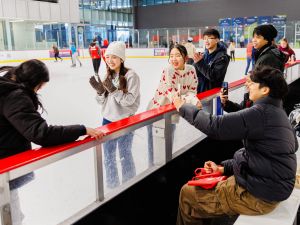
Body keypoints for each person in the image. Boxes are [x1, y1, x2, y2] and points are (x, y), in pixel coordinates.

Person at [173, 65, 297, 225]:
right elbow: (261, 156)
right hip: (269, 188)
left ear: (265, 90)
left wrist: (182, 107)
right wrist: (223, 168)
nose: (247, 85)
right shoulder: (278, 113)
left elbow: (215, 126)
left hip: (258, 196)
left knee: (188, 195)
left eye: (252, 83)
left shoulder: (261, 113)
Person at [0, 59, 104, 224]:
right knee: (10, 214)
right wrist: (81, 129)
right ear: (32, 82)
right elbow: (42, 133)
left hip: (5, 163)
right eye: (40, 86)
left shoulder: (6, 85)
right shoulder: (14, 96)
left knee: (12, 212)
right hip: (4, 165)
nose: (39, 90)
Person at [89, 41, 140, 189]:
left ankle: (129, 183)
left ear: (122, 59)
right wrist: (100, 92)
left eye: (114, 57)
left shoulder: (131, 76)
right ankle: (112, 186)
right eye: (108, 56)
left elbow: (130, 101)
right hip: (107, 121)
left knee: (125, 154)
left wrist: (114, 91)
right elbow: (101, 102)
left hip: (125, 121)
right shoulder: (108, 75)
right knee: (108, 156)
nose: (110, 60)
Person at [147, 44, 201, 166]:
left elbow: (192, 91)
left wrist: (192, 100)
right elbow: (171, 93)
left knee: (168, 145)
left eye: (177, 55)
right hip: (157, 111)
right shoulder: (168, 70)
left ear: (185, 58)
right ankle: (154, 171)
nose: (174, 59)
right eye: (171, 56)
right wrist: (188, 100)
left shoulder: (191, 70)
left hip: (171, 113)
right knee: (155, 150)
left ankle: (165, 171)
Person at [193, 28, 230, 93]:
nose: (206, 41)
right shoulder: (204, 55)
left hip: (212, 95)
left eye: (209, 38)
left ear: (217, 40)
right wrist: (194, 63)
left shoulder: (222, 58)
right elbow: (195, 73)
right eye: (204, 38)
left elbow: (213, 76)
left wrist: (199, 62)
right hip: (200, 92)